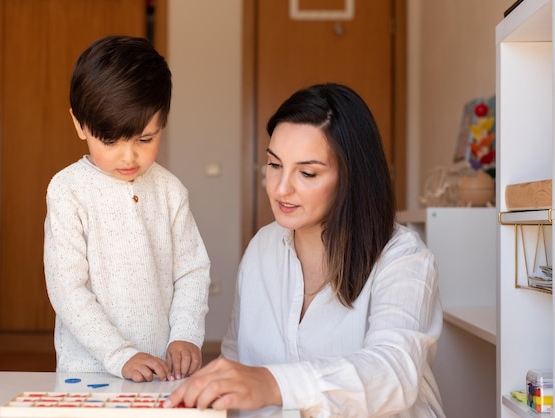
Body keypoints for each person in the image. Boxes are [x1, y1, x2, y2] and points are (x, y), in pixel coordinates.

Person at [165, 83, 445, 417]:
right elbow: (237, 359)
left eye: (307, 172)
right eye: (274, 165)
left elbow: (393, 373)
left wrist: (272, 383)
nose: (281, 188)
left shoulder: (403, 258)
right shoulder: (261, 249)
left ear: (351, 177)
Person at [43, 35, 211, 383]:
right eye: (110, 140)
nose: (129, 156)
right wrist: (120, 355)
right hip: (88, 371)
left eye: (145, 139)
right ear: (79, 124)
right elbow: (67, 289)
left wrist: (186, 334)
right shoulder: (68, 190)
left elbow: (192, 271)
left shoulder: (169, 190)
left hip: (162, 372)